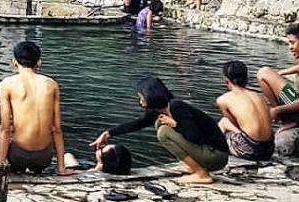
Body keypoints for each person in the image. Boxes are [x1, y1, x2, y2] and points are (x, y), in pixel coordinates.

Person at [91, 77, 228, 184]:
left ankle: (201, 174)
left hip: (216, 155)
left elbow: (195, 137)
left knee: (163, 132)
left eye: (141, 97)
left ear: (150, 96)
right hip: (207, 151)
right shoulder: (159, 110)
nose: (140, 101)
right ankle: (193, 166)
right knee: (160, 124)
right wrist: (108, 133)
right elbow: (138, 124)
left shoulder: (176, 107)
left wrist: (174, 124)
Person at [0, 40, 69, 175]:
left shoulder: (7, 84)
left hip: (19, 157)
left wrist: (2, 162)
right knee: (68, 156)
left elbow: (5, 128)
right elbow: (57, 129)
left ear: (14, 62)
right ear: (39, 62)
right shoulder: (51, 84)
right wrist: (61, 167)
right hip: (44, 158)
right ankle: (56, 168)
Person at [257, 22, 299, 131]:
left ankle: (286, 119)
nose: (290, 47)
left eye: (292, 43)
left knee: (263, 73)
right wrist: (281, 73)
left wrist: (277, 110)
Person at [216, 60, 274, 161]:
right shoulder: (260, 97)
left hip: (251, 150)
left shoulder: (223, 99)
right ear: (246, 78)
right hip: (269, 149)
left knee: (224, 122)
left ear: (226, 80)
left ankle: (213, 152)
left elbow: (234, 124)